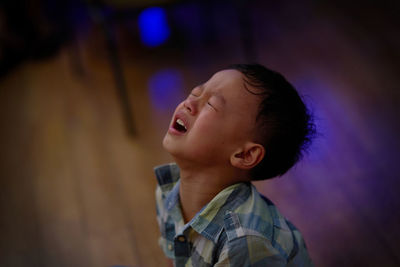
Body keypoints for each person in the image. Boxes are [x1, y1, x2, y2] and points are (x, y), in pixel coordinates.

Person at [155, 64, 315, 266]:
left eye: (211, 105)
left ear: (245, 154)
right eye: (196, 91)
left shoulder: (243, 243)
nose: (189, 102)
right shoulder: (168, 190)